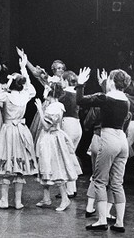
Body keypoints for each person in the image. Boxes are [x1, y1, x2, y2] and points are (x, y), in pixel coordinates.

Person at [77, 67, 130, 233]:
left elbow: (80, 100)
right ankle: (119, 223)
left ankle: (101, 220)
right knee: (117, 184)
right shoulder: (125, 100)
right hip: (123, 141)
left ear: (112, 81)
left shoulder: (105, 98)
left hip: (109, 140)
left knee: (100, 181)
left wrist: (80, 84)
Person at [0, 53, 38, 210]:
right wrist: (23, 68)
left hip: (9, 130)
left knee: (6, 163)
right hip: (21, 131)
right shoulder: (25, 95)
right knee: (18, 166)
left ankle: (4, 200)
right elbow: (31, 88)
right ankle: (17, 201)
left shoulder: (6, 96)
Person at [34, 82, 81, 211]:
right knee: (45, 167)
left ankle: (65, 199)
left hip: (51, 139)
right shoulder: (56, 105)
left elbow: (46, 126)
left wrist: (40, 110)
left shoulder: (54, 107)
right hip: (49, 137)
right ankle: (46, 198)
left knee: (55, 167)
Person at [59, 70, 82, 198]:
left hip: (68, 124)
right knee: (70, 156)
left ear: (66, 81)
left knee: (67, 157)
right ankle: (71, 188)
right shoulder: (77, 93)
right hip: (77, 126)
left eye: (62, 80)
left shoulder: (65, 94)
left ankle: (70, 189)